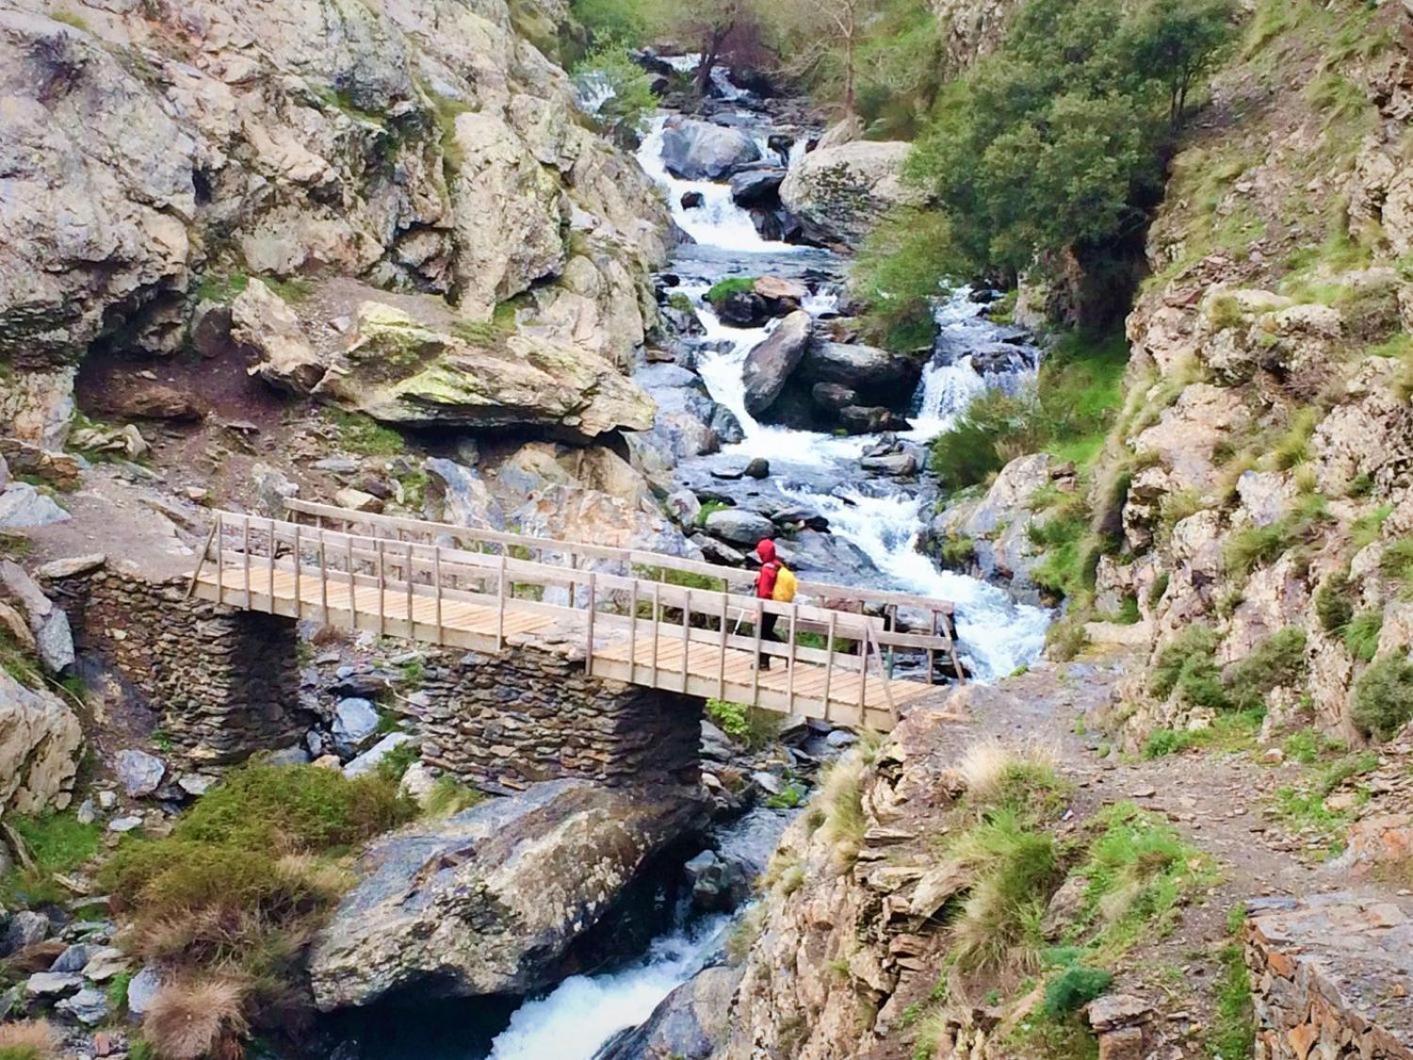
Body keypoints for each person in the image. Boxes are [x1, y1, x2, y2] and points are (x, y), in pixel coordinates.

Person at [753, 538, 782, 668]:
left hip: (766, 606)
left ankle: (764, 662)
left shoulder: (766, 569)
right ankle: (764, 662)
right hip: (776, 605)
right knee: (767, 632)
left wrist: (758, 610)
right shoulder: (777, 565)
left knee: (762, 633)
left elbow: (764, 592)